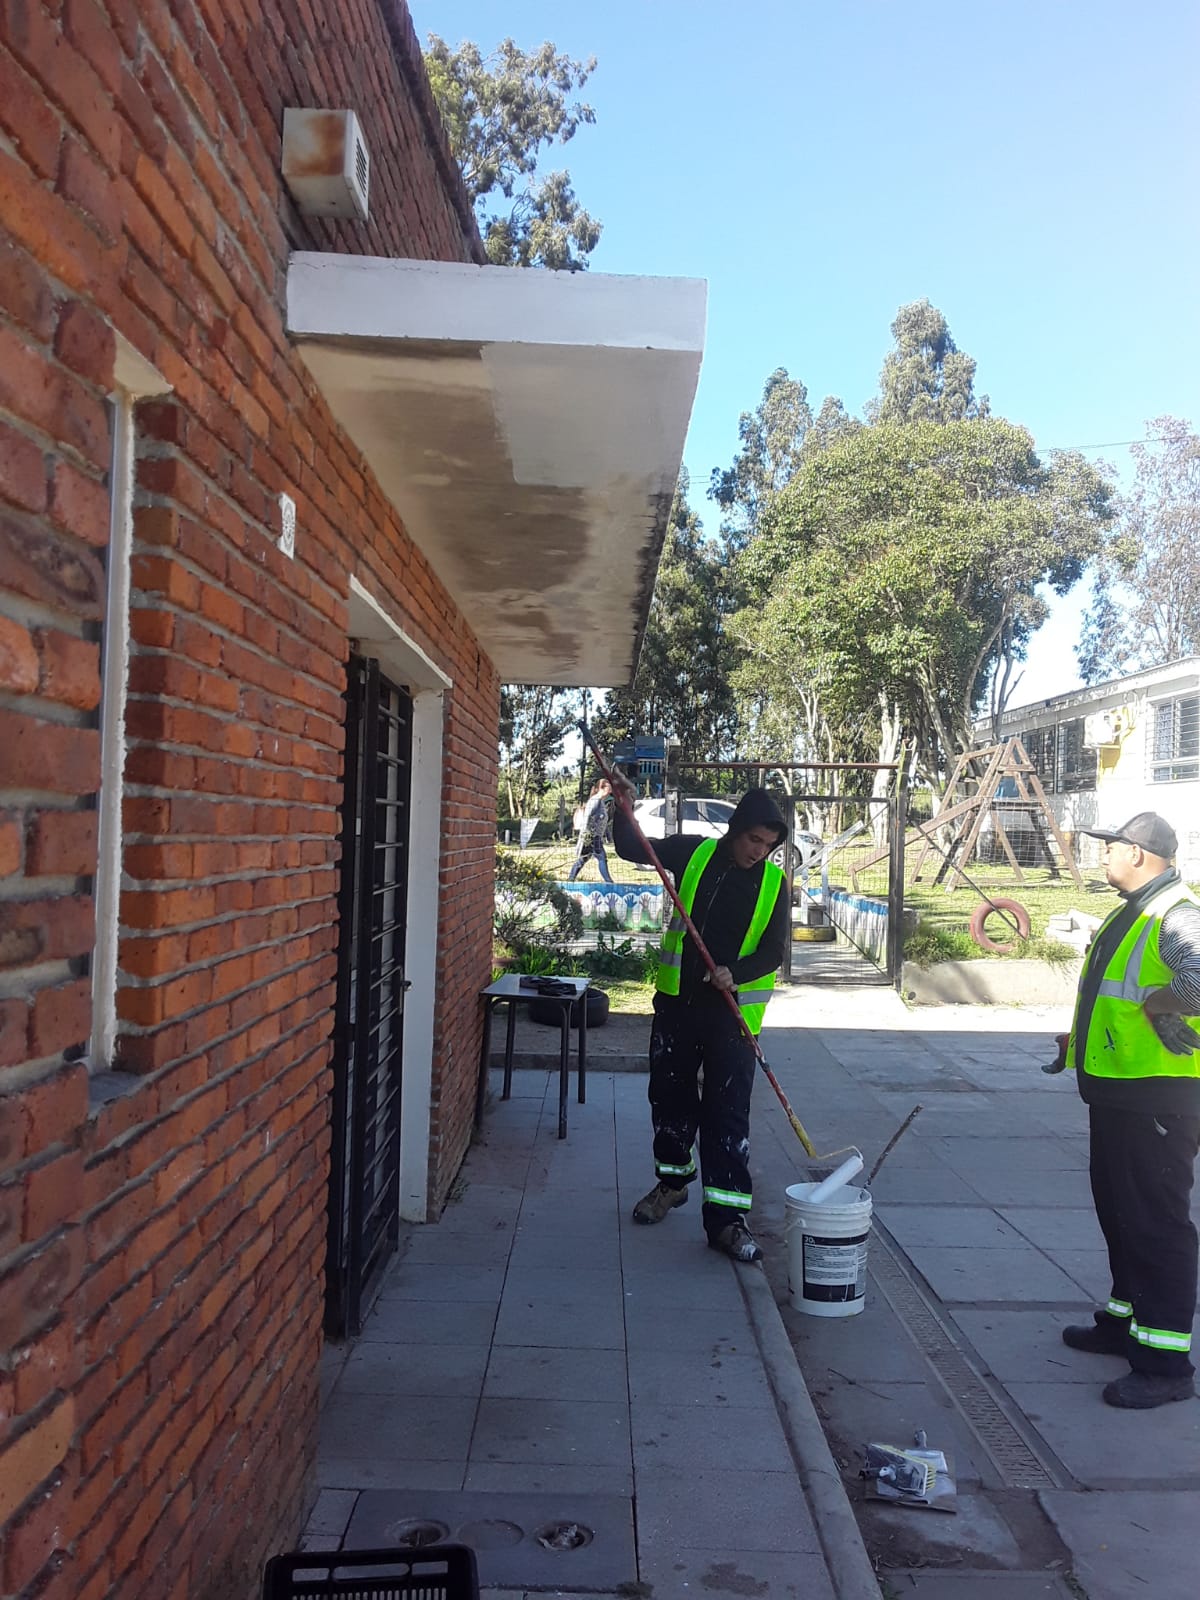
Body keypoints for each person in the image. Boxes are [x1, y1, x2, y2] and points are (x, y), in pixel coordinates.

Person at [611, 775, 789, 1262]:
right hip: (677, 1006)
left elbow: (775, 951)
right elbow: (634, 848)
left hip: (732, 1020)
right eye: (754, 839)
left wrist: (738, 972)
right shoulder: (695, 854)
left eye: (769, 845)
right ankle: (672, 1184)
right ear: (736, 830)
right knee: (669, 1100)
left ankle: (728, 1221)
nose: (759, 851)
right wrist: (621, 806)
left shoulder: (775, 885)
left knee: (726, 1116)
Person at [1056, 811, 1200, 1409]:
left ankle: (1165, 1365)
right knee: (1120, 1213)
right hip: (1119, 1090)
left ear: (1138, 853)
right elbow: (1109, 991)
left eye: (1110, 846)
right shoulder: (1132, 908)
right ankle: (1123, 1321)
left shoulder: (1175, 914)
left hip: (1158, 1097)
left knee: (1157, 1224)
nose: (1103, 855)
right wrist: (1080, 1040)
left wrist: (1158, 1007)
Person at [567, 779, 614, 884]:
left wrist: (608, 835)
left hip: (595, 836)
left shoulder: (600, 802)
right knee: (602, 858)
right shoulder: (595, 801)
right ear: (602, 788)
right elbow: (587, 818)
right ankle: (609, 882)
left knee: (583, 859)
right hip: (592, 836)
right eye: (609, 788)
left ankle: (570, 879)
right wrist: (585, 835)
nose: (610, 791)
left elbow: (601, 821)